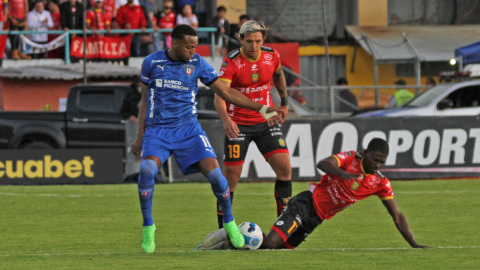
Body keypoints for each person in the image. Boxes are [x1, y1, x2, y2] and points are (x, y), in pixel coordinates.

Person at [130, 24, 281, 253]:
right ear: (175, 43)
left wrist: (262, 108)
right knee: (146, 171)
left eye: (195, 46)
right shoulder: (152, 62)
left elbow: (227, 92)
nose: (193, 51)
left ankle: (230, 224)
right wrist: (139, 136)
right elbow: (144, 100)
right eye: (189, 47)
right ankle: (148, 227)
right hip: (158, 131)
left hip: (189, 130)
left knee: (218, 178)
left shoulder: (198, 63)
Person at [197, 138, 430, 251]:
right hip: (304, 205)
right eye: (375, 159)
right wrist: (344, 175)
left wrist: (415, 245)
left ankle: (238, 241)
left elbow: (397, 216)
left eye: (382, 162)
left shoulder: (380, 183)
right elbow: (323, 163)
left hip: (315, 220)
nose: (378, 165)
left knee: (277, 253)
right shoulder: (349, 158)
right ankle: (229, 241)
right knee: (268, 246)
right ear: (365, 152)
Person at [214, 20, 292, 229]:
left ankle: (282, 227)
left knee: (284, 168)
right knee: (231, 179)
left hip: (266, 121)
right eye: (249, 41)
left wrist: (284, 103)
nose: (254, 46)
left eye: (258, 41)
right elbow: (220, 96)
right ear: (240, 39)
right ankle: (225, 229)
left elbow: (279, 75)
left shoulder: (272, 55)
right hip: (238, 124)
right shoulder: (231, 62)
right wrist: (226, 120)